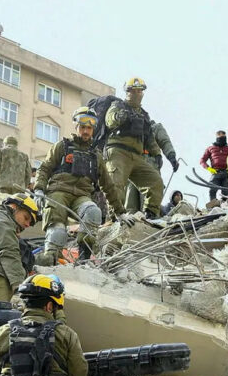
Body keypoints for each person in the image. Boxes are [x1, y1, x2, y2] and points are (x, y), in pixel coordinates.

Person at [34, 107, 124, 263]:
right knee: (58, 232)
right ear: (77, 127)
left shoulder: (95, 156)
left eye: (89, 128)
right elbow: (45, 168)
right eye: (83, 127)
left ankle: (84, 257)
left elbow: (108, 186)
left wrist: (120, 212)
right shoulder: (62, 146)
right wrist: (39, 189)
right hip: (58, 192)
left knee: (94, 212)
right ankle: (50, 259)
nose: (86, 131)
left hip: (81, 196)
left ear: (93, 130)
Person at [103, 77, 166, 218]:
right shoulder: (118, 105)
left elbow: (149, 137)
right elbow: (109, 120)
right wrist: (119, 117)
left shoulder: (143, 114)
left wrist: (157, 154)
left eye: (140, 91)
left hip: (137, 157)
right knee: (116, 185)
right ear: (128, 92)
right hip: (118, 152)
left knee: (156, 182)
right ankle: (114, 217)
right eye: (134, 91)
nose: (137, 94)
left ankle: (150, 214)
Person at [200, 130, 228, 201]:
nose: (222, 138)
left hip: (227, 173)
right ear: (217, 137)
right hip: (216, 172)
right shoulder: (210, 148)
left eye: (224, 137)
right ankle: (213, 205)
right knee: (212, 190)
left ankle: (225, 205)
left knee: (226, 191)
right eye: (220, 137)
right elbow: (202, 160)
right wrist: (208, 168)